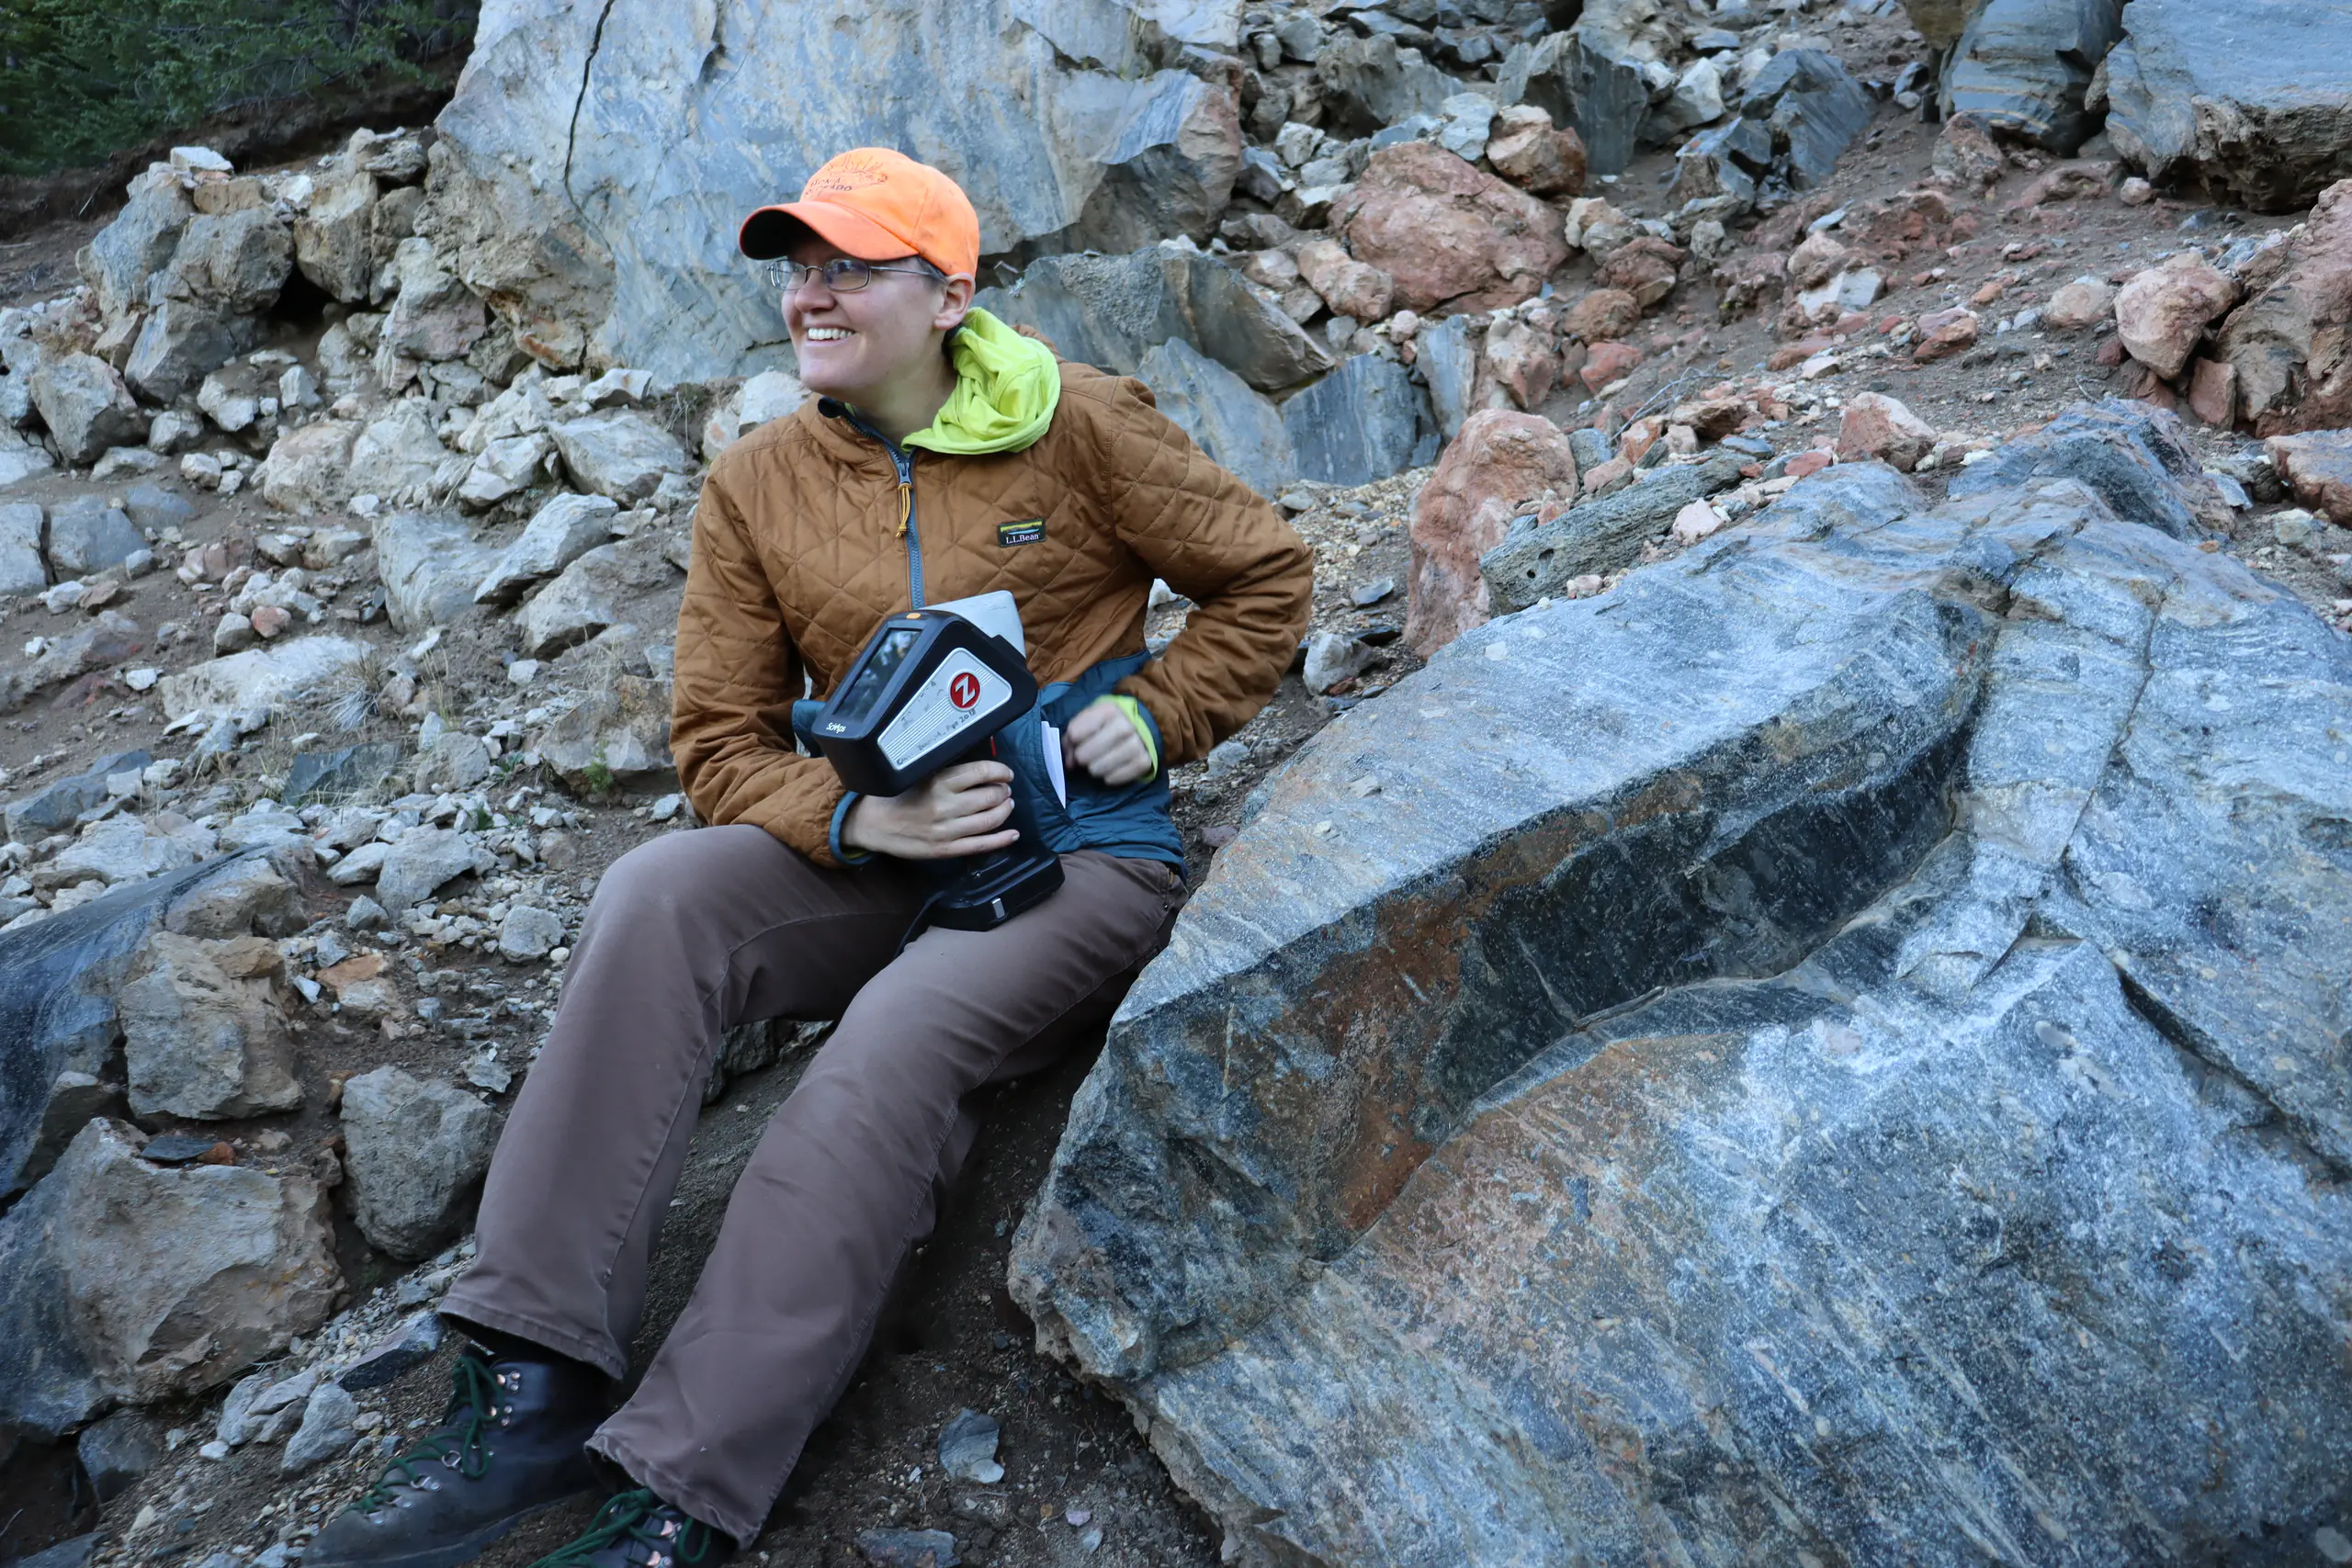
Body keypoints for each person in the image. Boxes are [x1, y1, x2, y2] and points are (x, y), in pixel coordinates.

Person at [305, 148, 1313, 1568]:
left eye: (849, 265)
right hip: (876, 849)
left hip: (1073, 856)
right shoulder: (759, 483)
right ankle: (533, 1374)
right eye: (798, 267)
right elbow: (716, 742)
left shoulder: (1081, 426)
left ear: (949, 289)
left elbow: (1264, 574)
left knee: (887, 1045)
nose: (810, 293)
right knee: (655, 892)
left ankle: (679, 1492)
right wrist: (862, 821)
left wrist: (1159, 712)